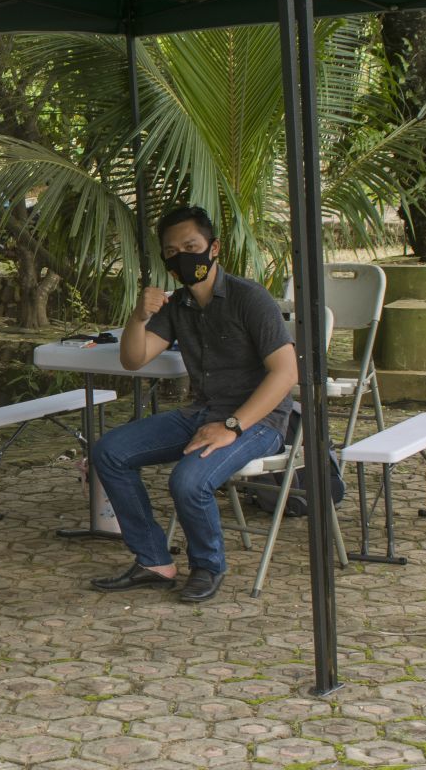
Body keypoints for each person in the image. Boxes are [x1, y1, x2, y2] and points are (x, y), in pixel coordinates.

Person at [90, 206, 297, 603]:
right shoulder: (177, 305)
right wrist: (138, 316)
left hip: (259, 422)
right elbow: (133, 360)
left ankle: (208, 565)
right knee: (109, 452)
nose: (183, 257)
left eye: (191, 246)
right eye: (172, 251)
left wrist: (231, 426)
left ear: (213, 248)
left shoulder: (249, 298)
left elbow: (286, 374)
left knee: (187, 480)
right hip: (200, 413)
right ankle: (154, 560)